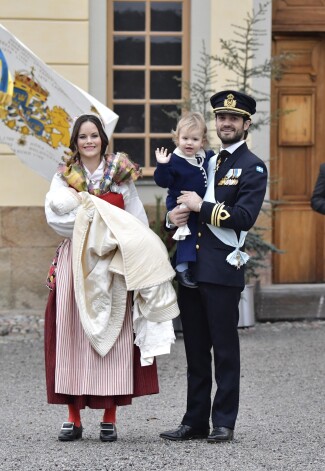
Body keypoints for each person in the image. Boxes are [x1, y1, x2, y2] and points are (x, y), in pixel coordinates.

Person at [44, 114, 179, 442]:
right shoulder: (64, 177)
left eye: (94, 135)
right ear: (75, 142)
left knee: (115, 338)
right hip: (75, 261)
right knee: (72, 336)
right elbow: (53, 218)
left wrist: (91, 213)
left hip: (113, 262)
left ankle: (109, 415)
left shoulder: (120, 176)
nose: (89, 141)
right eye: (82, 137)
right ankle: (72, 416)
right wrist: (101, 213)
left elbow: (136, 220)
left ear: (103, 139)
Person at [159, 90, 268, 443]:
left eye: (233, 119)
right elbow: (180, 197)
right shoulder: (206, 161)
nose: (226, 123)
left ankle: (224, 422)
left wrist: (199, 206)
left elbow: (244, 218)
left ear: (246, 124)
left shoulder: (252, 166)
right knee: (194, 350)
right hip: (191, 266)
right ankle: (194, 421)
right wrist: (172, 217)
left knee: (223, 350)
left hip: (222, 270)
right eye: (221, 117)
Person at [154, 112, 215, 288]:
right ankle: (181, 268)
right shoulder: (174, 160)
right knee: (188, 233)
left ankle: (194, 266)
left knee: (199, 233)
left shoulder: (206, 156)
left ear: (202, 142)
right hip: (180, 202)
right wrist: (162, 165)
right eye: (185, 138)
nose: (189, 143)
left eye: (195, 139)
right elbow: (162, 181)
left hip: (199, 204)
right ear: (177, 139)